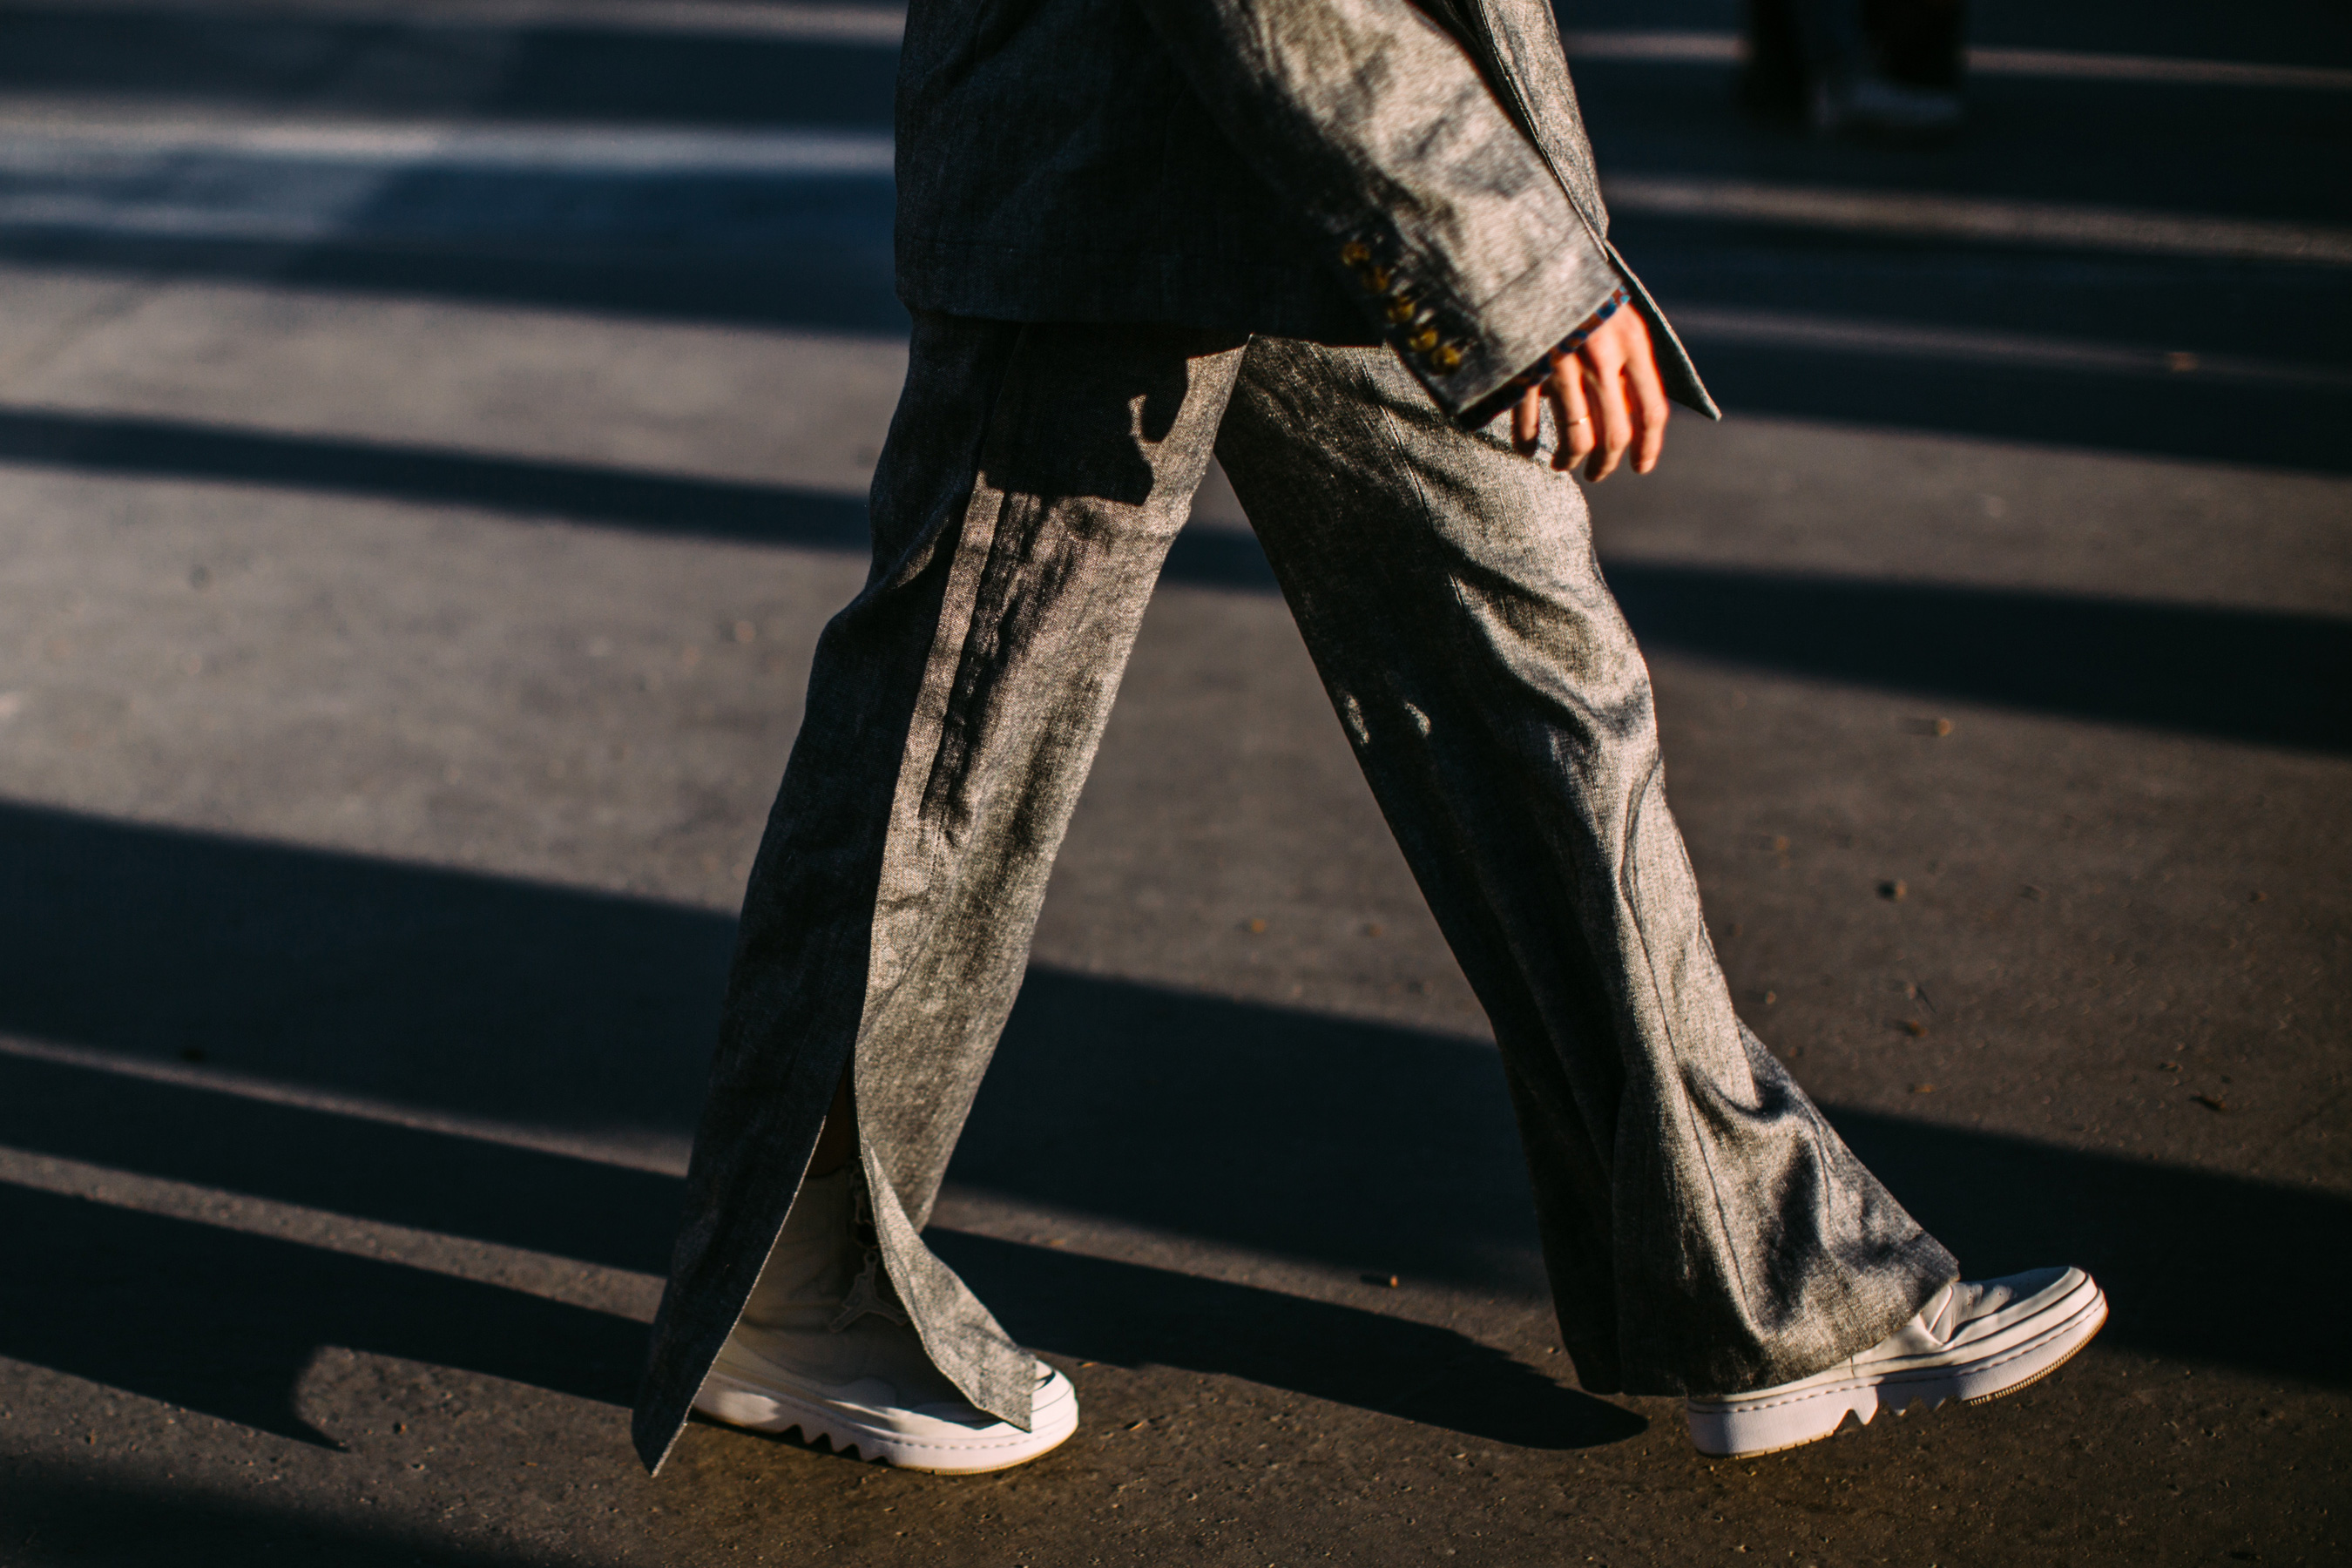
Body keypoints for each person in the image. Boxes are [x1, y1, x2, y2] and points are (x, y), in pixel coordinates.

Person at [631, 0, 2105, 1477]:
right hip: (1112, 163)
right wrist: (1497, 241)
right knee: (951, 757)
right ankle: (790, 1281)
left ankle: (1761, 1284)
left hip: (1321, 180)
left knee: (1545, 700)